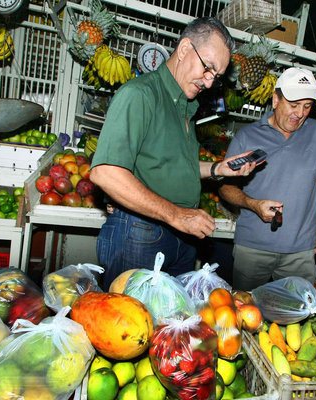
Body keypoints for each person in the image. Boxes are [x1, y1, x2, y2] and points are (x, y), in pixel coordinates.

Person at [90, 17, 259, 289]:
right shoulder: (141, 95)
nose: (208, 82)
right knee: (130, 324)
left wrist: (218, 169)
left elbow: (175, 164)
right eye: (208, 69)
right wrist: (176, 215)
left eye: (215, 77)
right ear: (183, 50)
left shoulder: (185, 106)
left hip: (180, 237)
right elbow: (105, 172)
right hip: (140, 233)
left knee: (169, 326)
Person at [218, 67, 316, 291]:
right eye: (293, 105)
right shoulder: (247, 136)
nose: (300, 113)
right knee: (247, 314)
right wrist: (253, 204)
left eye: (307, 106)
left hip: (301, 250)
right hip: (252, 247)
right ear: (275, 100)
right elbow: (225, 188)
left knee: (297, 313)